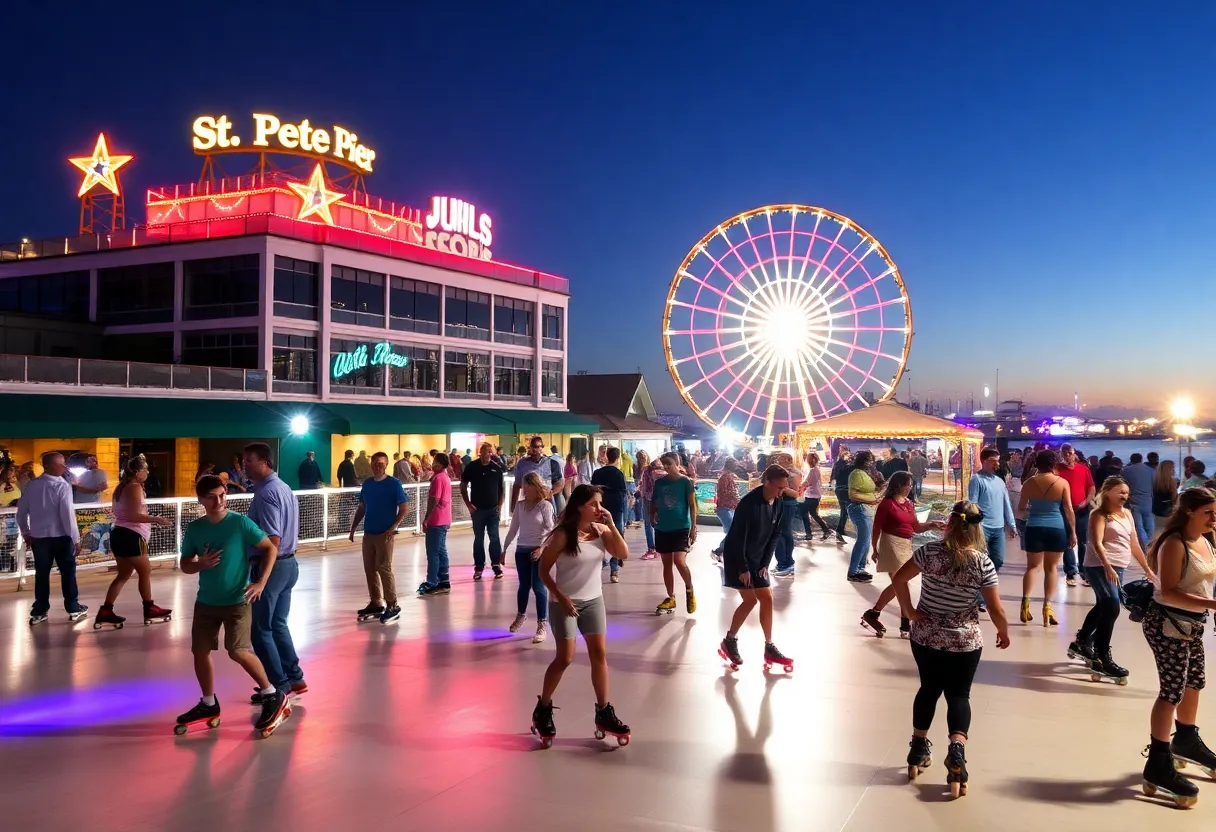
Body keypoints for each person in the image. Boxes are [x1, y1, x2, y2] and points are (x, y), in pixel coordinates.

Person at [891, 501, 1010, 799]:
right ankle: (956, 754)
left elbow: (899, 578)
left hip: (926, 636)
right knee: (959, 695)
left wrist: (908, 610)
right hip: (964, 641)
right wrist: (1003, 630)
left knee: (928, 689)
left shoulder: (928, 552)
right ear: (976, 528)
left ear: (950, 524)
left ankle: (918, 748)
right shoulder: (982, 562)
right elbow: (995, 608)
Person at [173, 474, 290, 736]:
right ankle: (208, 703)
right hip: (206, 601)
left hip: (237, 600)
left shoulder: (240, 524)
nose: (219, 501)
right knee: (200, 651)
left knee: (237, 650)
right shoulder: (195, 529)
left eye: (222, 495)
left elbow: (270, 548)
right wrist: (199, 564)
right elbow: (185, 564)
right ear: (200, 499)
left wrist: (260, 582)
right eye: (212, 497)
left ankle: (272, 693)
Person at [530, 484, 630, 747]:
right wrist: (561, 597)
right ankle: (543, 708)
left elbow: (623, 554)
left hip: (593, 600)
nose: (599, 509)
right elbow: (543, 571)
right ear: (578, 507)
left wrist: (612, 525)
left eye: (600, 504)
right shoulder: (563, 535)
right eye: (593, 505)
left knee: (599, 655)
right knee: (565, 657)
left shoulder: (601, 531)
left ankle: (603, 711)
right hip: (564, 603)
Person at [1139, 488, 1216, 808]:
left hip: (1192, 624)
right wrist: (1213, 603)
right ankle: (1157, 760)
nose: (1214, 517)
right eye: (1209, 512)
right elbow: (1168, 592)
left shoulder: (1207, 540)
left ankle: (1185, 738)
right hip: (1167, 623)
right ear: (1189, 513)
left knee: (1194, 682)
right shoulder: (1174, 544)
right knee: (1171, 690)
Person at [1069, 476, 1155, 681]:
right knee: (1112, 605)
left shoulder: (1127, 514)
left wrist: (1148, 569)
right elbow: (1097, 543)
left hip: (1119, 566)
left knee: (1103, 605)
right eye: (1121, 492)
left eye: (1126, 492)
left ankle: (1082, 642)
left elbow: (1134, 543)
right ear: (1108, 492)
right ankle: (1102, 658)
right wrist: (1107, 566)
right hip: (1099, 566)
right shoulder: (1099, 514)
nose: (1125, 496)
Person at [244, 442, 307, 701]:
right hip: (289, 566)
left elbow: (273, 540)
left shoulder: (267, 493)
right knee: (278, 624)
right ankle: (295, 677)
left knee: (261, 630)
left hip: (272, 567)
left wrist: (261, 578)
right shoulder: (284, 489)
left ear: (265, 462)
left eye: (249, 460)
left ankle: (278, 685)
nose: (244, 465)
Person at [718, 465, 794, 672]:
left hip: (758, 558)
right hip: (738, 557)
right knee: (751, 600)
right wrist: (743, 568)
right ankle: (729, 640)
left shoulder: (778, 502)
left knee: (766, 598)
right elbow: (736, 537)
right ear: (767, 482)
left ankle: (769, 646)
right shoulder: (749, 503)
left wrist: (765, 563)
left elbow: (775, 534)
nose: (781, 492)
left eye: (784, 489)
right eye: (779, 488)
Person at [861, 472, 946, 637]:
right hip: (890, 543)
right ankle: (904, 621)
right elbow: (876, 527)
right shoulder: (887, 504)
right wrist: (874, 548)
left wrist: (932, 525)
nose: (910, 488)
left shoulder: (908, 504)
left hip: (906, 544)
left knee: (900, 583)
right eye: (908, 485)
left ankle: (875, 614)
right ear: (899, 485)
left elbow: (915, 527)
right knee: (902, 582)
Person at [93, 457, 174, 628]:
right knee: (145, 571)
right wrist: (157, 519)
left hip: (119, 534)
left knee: (123, 575)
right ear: (137, 472)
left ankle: (106, 610)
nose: (148, 473)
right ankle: (149, 608)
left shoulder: (121, 488)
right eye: (145, 470)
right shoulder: (135, 487)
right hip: (131, 535)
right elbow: (133, 516)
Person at [18, 452, 87, 625]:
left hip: (39, 538)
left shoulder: (32, 485)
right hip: (62, 537)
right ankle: (73, 606)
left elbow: (21, 512)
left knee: (42, 574)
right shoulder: (62, 486)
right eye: (61, 464)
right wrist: (75, 538)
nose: (64, 467)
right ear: (48, 466)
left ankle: (40, 610)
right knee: (68, 573)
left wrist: (26, 532)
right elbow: (67, 515)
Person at [1017, 449, 1075, 628]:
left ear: (1037, 463)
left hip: (1034, 527)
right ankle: (1047, 608)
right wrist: (1073, 531)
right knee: (1051, 569)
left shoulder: (1028, 483)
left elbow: (1020, 509)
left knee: (1032, 568)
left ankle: (1025, 603)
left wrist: (1034, 511)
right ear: (1055, 463)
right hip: (1056, 528)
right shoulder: (1062, 483)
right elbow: (1068, 509)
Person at [349, 451, 409, 622]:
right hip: (369, 533)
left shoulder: (394, 484)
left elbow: (404, 507)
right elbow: (362, 507)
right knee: (370, 569)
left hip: (385, 534)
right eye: (375, 463)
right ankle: (376, 601)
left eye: (381, 464)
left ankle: (393, 604)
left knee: (384, 567)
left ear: (386, 465)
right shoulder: (367, 484)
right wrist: (353, 528)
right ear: (371, 464)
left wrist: (393, 526)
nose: (377, 466)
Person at [503, 471, 556, 643]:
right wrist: (504, 549)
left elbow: (551, 531)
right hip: (522, 550)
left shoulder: (545, 506)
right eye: (523, 486)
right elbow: (513, 529)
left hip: (538, 549)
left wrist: (542, 548)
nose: (524, 489)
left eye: (528, 486)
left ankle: (542, 624)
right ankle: (521, 615)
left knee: (539, 586)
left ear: (535, 486)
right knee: (523, 585)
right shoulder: (520, 506)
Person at [651, 452, 698, 615]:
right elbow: (654, 501)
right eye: (664, 464)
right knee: (666, 563)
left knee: (679, 560)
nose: (666, 467)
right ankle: (670, 596)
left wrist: (693, 527)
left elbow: (692, 505)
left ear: (677, 464)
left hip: (681, 527)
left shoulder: (685, 482)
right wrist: (652, 515)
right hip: (663, 527)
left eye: (669, 464)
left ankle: (689, 589)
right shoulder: (659, 483)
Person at [967, 448, 1017, 577]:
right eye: (993, 461)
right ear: (984, 461)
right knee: (980, 561)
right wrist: (974, 525)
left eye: (998, 461)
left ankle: (988, 583)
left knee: (998, 560)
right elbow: (973, 504)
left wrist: (1012, 525)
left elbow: (1007, 504)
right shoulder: (977, 479)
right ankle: (981, 591)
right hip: (982, 527)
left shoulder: (999, 481)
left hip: (999, 528)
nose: (997, 464)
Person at [461, 442, 507, 580]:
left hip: (493, 510)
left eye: (490, 452)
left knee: (494, 537)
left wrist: (499, 506)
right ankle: (479, 566)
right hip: (478, 510)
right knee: (479, 538)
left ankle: (496, 565)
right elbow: (463, 486)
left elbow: (501, 490)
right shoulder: (472, 467)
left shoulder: (496, 469)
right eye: (486, 451)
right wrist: (468, 504)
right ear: (480, 452)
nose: (489, 454)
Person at [1057, 444, 1096, 587]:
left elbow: (1091, 487)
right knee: (1068, 541)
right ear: (1061, 454)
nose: (1067, 455)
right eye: (1065, 453)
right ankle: (1070, 572)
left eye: (1070, 453)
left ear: (1074, 454)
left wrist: (1086, 502)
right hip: (1065, 510)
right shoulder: (1057, 470)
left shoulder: (1083, 469)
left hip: (1082, 510)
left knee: (1083, 541)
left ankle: (1084, 571)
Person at [591, 447, 629, 582]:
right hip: (616, 510)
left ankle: (597, 567)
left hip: (599, 509)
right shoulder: (619, 474)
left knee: (598, 536)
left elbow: (592, 491)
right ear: (617, 458)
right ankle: (614, 571)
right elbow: (623, 493)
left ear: (607, 456)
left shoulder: (597, 473)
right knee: (616, 536)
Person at [420, 452, 453, 596]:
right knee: (440, 550)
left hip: (436, 519)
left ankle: (432, 581)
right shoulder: (445, 477)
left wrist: (426, 518)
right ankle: (444, 580)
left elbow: (434, 499)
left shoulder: (438, 479)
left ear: (439, 464)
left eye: (434, 461)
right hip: (444, 519)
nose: (432, 464)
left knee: (432, 551)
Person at [846, 450, 880, 583]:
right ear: (861, 461)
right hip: (860, 509)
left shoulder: (866, 473)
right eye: (867, 460)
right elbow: (852, 495)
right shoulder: (856, 473)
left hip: (867, 509)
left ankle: (860, 568)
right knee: (863, 541)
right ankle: (853, 571)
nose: (870, 462)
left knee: (866, 541)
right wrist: (871, 499)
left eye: (871, 459)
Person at [770, 452, 803, 578]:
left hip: (787, 504)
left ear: (788, 459)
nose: (778, 460)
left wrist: (783, 489)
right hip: (781, 504)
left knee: (781, 533)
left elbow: (795, 493)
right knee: (783, 533)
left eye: (781, 459)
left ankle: (785, 563)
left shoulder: (793, 473)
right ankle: (784, 563)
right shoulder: (783, 472)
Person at [512, 436, 565, 510]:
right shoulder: (522, 463)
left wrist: (551, 493)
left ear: (542, 447)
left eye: (537, 447)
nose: (534, 450)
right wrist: (513, 507)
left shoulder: (552, 463)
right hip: (528, 505)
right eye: (532, 447)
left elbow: (560, 483)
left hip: (546, 504)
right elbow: (517, 485)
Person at [711, 458, 743, 562]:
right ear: (730, 465)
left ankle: (724, 552)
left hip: (729, 508)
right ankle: (719, 551)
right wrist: (735, 497)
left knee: (733, 532)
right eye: (735, 464)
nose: (736, 466)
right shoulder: (725, 477)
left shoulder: (728, 476)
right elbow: (722, 493)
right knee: (733, 532)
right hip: (725, 508)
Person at [1122, 453, 1156, 550]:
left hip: (1134, 501)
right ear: (1141, 459)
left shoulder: (1126, 470)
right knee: (1149, 523)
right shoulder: (1150, 470)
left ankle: (1145, 546)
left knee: (1138, 526)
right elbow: (1154, 484)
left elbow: (1122, 484)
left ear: (1131, 460)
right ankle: (1151, 543)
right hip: (1148, 500)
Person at [798, 451, 831, 542]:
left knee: (804, 513)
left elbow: (807, 483)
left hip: (811, 496)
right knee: (812, 514)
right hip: (814, 495)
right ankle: (824, 530)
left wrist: (799, 486)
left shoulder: (812, 471)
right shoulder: (815, 469)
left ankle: (810, 533)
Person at [637, 453, 659, 558]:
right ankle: (660, 548)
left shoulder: (646, 471)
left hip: (648, 499)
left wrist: (642, 494)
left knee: (648, 524)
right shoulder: (665, 472)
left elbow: (644, 488)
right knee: (659, 524)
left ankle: (651, 549)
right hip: (661, 501)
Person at [831, 449, 853, 544]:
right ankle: (840, 530)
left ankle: (840, 529)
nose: (849, 458)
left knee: (844, 511)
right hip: (843, 490)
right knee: (844, 511)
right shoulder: (844, 466)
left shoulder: (837, 464)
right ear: (843, 456)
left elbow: (833, 476)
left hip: (839, 489)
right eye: (847, 456)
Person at [1153, 460, 1180, 525]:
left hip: (1155, 512)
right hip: (1168, 513)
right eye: (1173, 468)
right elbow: (1174, 499)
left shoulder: (1154, 482)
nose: (1174, 470)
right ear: (1169, 470)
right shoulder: (1172, 483)